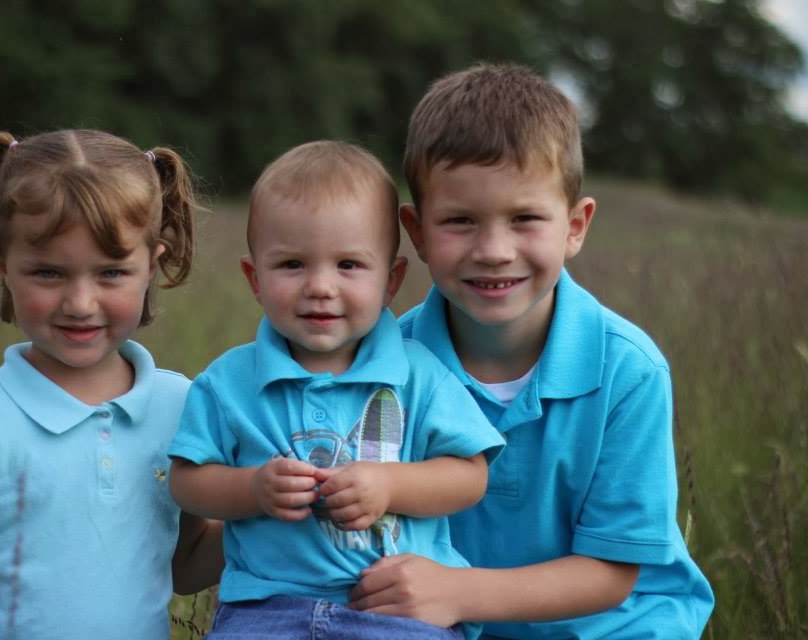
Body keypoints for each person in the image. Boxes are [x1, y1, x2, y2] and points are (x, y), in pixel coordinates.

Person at [347, 62, 715, 638]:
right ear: (416, 232)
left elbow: (613, 573)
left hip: (614, 626)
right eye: (460, 221)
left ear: (575, 225)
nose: (494, 250)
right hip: (457, 623)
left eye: (525, 219)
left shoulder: (627, 370)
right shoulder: (387, 363)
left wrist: (457, 591)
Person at [168, 140, 506, 639]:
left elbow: (470, 476)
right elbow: (187, 482)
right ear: (255, 278)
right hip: (266, 607)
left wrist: (390, 485)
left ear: (390, 280)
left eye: (348, 265)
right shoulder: (229, 381)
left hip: (394, 607)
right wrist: (253, 489)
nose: (320, 287)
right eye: (292, 265)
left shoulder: (418, 374)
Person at [0, 129, 223, 639]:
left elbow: (185, 565)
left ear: (151, 266)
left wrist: (273, 512)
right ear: (5, 267)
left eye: (111, 273)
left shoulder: (181, 406)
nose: (80, 303)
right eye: (49, 273)